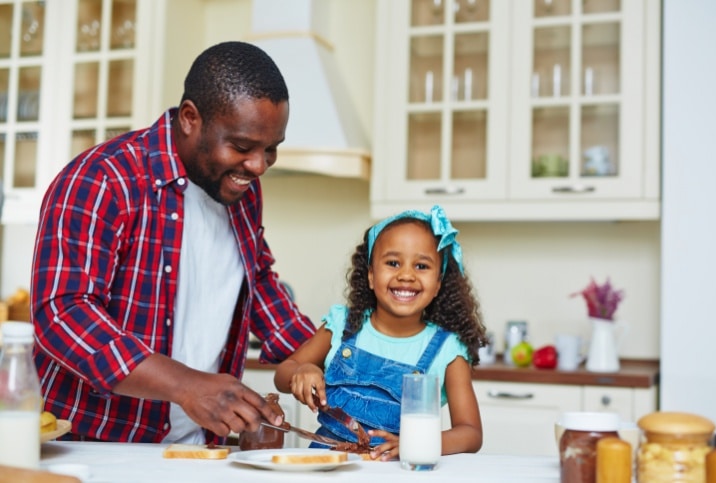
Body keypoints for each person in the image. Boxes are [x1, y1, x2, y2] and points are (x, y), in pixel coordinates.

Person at [30, 41, 317, 444]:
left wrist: (331, 356)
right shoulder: (103, 178)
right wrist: (187, 385)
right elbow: (62, 314)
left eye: (270, 150)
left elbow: (259, 281)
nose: (257, 166)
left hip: (194, 450)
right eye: (241, 146)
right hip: (92, 449)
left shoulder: (239, 191)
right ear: (189, 118)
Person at [274, 205, 488, 460]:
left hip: (396, 471)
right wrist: (301, 370)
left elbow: (471, 433)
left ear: (438, 284)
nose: (406, 275)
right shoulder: (343, 325)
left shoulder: (448, 349)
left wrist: (415, 443)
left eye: (421, 266)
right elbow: (283, 372)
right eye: (393, 263)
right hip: (327, 467)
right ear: (371, 276)